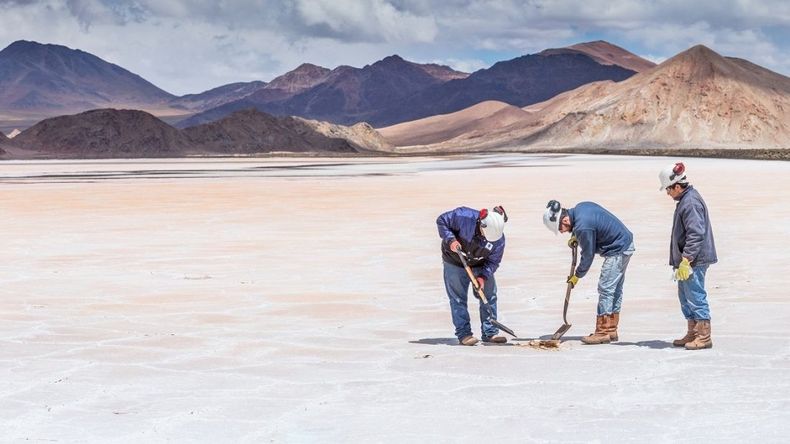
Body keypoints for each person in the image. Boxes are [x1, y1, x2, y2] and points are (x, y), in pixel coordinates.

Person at [543, 200, 635, 344]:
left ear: (565, 219)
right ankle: (611, 329)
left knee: (606, 289)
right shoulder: (580, 208)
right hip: (625, 243)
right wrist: (576, 236)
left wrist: (577, 275)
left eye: (560, 228)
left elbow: (588, 255)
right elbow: (592, 226)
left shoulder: (582, 228)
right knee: (614, 290)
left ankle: (602, 332)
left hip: (617, 250)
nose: (562, 232)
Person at [660, 162, 717, 350]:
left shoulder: (690, 202)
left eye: (668, 189)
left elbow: (696, 233)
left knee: (695, 294)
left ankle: (703, 336)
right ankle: (692, 332)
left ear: (677, 186)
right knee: (685, 295)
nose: (668, 194)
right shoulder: (685, 200)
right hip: (687, 260)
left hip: (694, 260)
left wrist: (687, 259)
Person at [437, 206, 508, 346]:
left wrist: (483, 277)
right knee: (457, 298)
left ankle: (490, 332)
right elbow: (441, 221)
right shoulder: (463, 216)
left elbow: (493, 261)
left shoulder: (499, 240)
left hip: (480, 263)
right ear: (482, 224)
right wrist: (451, 240)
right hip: (455, 259)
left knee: (489, 295)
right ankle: (464, 334)